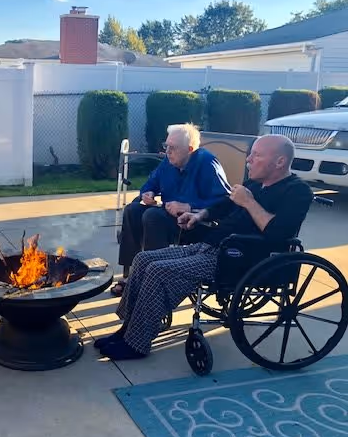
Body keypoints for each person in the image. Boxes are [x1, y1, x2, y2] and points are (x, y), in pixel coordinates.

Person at [97, 134, 313, 360]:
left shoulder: (297, 191)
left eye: (256, 155)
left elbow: (279, 234)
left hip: (240, 258)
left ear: (279, 162)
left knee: (158, 270)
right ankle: (127, 329)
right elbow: (222, 206)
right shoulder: (254, 184)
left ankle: (136, 344)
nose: (248, 159)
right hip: (213, 245)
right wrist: (198, 216)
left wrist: (249, 202)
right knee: (144, 260)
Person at [113, 123, 231, 296]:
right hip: (168, 216)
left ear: (190, 149)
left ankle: (152, 280)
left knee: (152, 216)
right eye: (166, 146)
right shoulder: (168, 163)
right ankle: (131, 275)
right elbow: (150, 184)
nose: (168, 151)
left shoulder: (207, 163)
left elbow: (224, 201)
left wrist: (191, 207)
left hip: (194, 223)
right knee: (133, 210)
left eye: (173, 148)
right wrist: (149, 193)